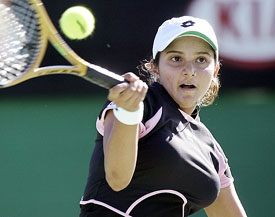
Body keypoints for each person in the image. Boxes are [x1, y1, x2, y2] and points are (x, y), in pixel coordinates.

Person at [79, 16, 247, 217]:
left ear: (215, 70)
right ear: (154, 67)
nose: (189, 71)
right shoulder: (138, 104)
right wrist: (128, 113)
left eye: (201, 60)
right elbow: (117, 178)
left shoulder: (211, 150)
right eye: (176, 59)